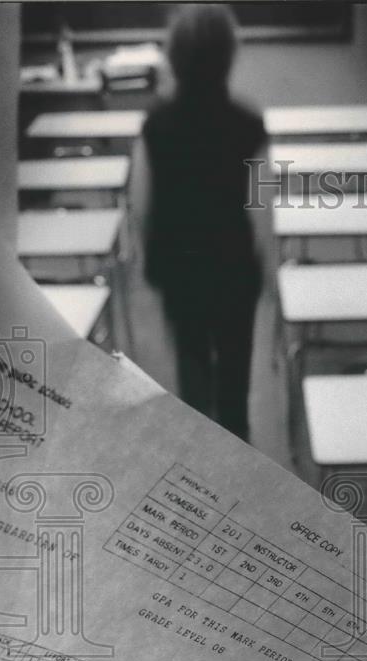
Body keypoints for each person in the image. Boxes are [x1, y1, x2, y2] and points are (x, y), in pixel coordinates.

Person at [134, 3, 266, 441]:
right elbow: (261, 206)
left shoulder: (156, 122)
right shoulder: (249, 122)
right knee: (234, 378)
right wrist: (262, 263)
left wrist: (149, 260)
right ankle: (238, 453)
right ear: (229, 55)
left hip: (179, 262)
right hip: (232, 261)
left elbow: (144, 203)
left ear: (175, 57)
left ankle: (201, 470)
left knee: (191, 365)